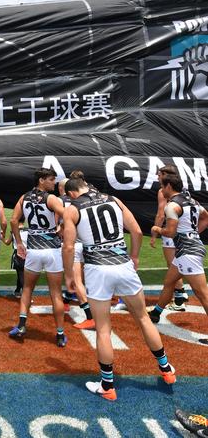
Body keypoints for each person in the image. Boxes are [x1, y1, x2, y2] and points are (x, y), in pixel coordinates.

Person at [62, 177, 176, 400]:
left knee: (103, 329)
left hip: (98, 270)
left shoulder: (73, 209)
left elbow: (68, 247)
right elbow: (135, 230)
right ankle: (166, 369)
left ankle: (108, 386)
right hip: (123, 265)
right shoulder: (113, 199)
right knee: (143, 318)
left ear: (72, 193)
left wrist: (69, 275)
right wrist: (134, 256)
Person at [9, 168, 67, 347]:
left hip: (33, 250)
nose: (54, 183)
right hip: (52, 250)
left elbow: (13, 221)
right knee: (56, 294)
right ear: (41, 180)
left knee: (27, 289)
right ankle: (59, 334)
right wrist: (61, 230)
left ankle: (21, 326)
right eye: (51, 179)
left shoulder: (24, 197)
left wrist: (19, 243)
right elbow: (67, 215)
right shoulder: (51, 198)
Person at [148, 173, 208, 346]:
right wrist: (194, 233)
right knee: (169, 282)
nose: (161, 189)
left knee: (202, 294)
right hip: (187, 250)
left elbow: (171, 232)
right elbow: (206, 217)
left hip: (188, 252)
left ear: (168, 187)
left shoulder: (171, 206)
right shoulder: (193, 201)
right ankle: (156, 313)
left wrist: (157, 229)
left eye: (161, 185)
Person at [150, 165, 190, 311]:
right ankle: (179, 295)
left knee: (173, 264)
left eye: (159, 174)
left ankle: (180, 296)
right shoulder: (183, 189)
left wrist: (155, 233)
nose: (157, 177)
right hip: (183, 230)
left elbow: (161, 214)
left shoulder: (163, 191)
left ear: (166, 175)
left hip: (171, 231)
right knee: (177, 263)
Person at [59, 174, 95, 330]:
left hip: (74, 245)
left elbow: (60, 225)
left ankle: (90, 317)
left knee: (76, 280)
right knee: (90, 278)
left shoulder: (63, 202)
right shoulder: (91, 199)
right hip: (91, 243)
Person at [4, 223, 27, 298]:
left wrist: (1, 237)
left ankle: (26, 296)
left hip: (18, 254)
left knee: (21, 274)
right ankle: (17, 290)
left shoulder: (14, 231)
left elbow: (7, 242)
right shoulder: (28, 230)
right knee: (22, 274)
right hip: (29, 254)